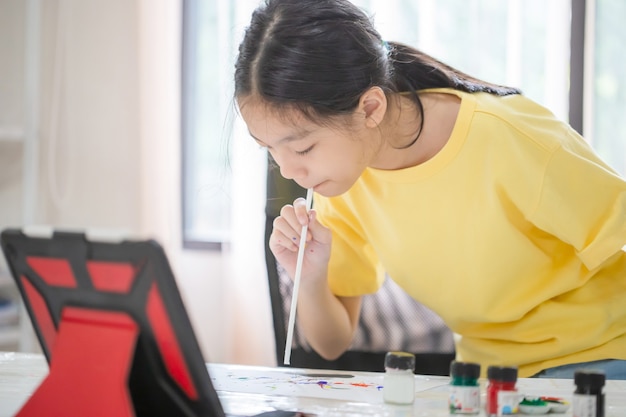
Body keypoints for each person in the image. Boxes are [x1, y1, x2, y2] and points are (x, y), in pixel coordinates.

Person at [234, 0, 626, 379]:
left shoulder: (510, 138)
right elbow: (332, 345)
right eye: (270, 150)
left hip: (600, 359)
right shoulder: (344, 181)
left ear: (370, 108)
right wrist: (309, 278)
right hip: (490, 378)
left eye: (303, 147)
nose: (289, 170)